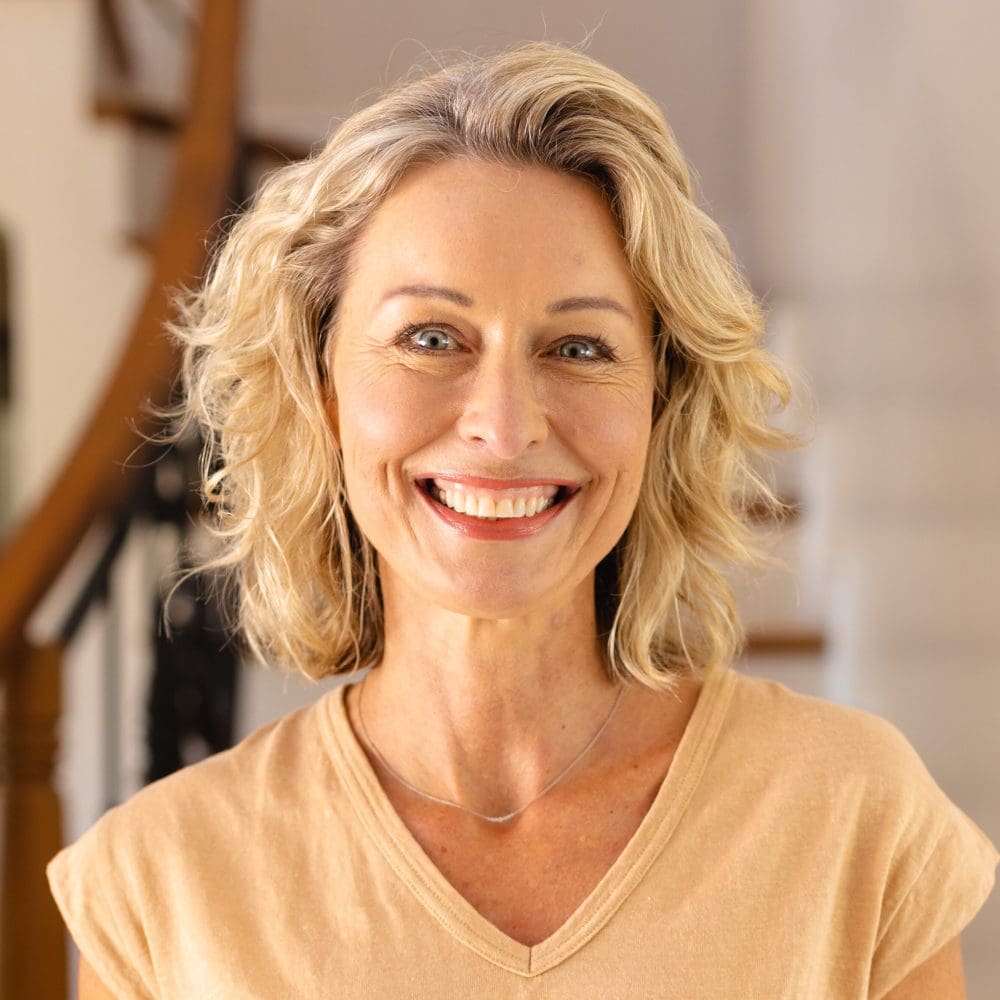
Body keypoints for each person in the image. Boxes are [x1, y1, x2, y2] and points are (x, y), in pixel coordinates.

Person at [49, 42, 996, 999]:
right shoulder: (163, 886)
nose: (504, 429)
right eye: (430, 338)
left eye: (579, 347)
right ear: (323, 390)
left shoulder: (854, 820)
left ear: (659, 402)